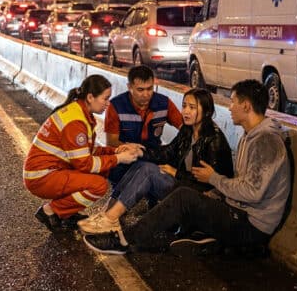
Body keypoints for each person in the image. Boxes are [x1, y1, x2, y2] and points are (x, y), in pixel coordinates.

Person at [84, 80, 291, 255]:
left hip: (251, 226)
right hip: (236, 212)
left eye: (233, 102)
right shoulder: (250, 135)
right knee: (155, 174)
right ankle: (208, 238)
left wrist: (213, 180)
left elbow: (252, 192)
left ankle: (123, 241)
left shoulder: (265, 141)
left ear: (246, 106)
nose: (229, 107)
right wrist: (140, 151)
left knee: (184, 196)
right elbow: (169, 153)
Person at [78, 88, 234, 235]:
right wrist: (141, 151)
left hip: (198, 197)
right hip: (182, 185)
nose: (185, 111)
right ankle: (108, 213)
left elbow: (212, 184)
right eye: (184, 106)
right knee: (141, 164)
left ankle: (111, 219)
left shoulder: (214, 140)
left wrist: (176, 173)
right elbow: (167, 152)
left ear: (207, 111)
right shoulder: (188, 130)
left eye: (192, 107)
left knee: (148, 171)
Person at [24, 75, 143, 231]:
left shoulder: (79, 112)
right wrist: (119, 158)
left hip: (48, 172)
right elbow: (85, 164)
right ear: (90, 97)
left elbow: (89, 151)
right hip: (42, 176)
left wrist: (117, 149)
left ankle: (66, 213)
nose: (108, 104)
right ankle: (51, 211)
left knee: (101, 171)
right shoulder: (76, 121)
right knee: (98, 185)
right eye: (105, 99)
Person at [104, 65, 184, 188]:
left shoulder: (164, 103)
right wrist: (130, 148)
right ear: (129, 87)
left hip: (153, 155)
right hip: (127, 156)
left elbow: (184, 127)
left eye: (150, 89)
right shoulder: (116, 106)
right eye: (140, 90)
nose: (146, 94)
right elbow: (111, 141)